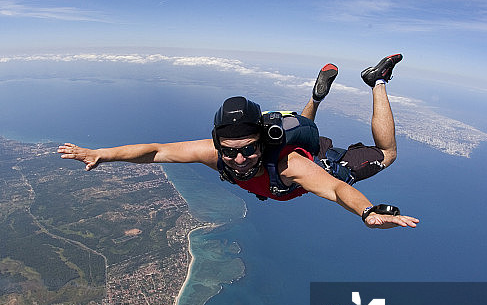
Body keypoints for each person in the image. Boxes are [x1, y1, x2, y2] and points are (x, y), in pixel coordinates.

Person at [58, 55, 418, 230]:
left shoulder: (292, 166)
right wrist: (101, 155)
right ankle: (317, 96)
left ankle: (378, 81)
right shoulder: (212, 154)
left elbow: (337, 190)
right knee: (305, 126)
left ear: (262, 142)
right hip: (299, 141)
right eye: (230, 151)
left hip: (316, 158)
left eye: (248, 148)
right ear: (219, 145)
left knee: (387, 155)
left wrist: (367, 212)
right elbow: (155, 152)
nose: (240, 158)